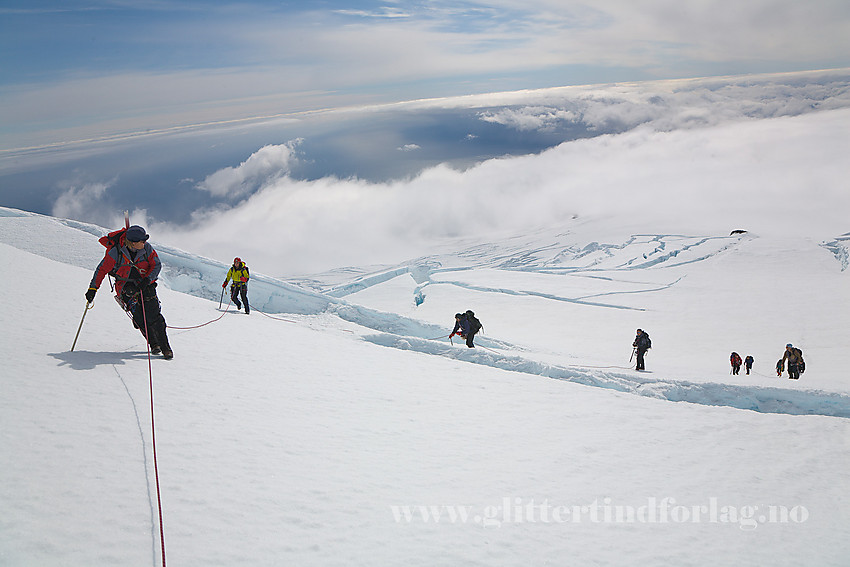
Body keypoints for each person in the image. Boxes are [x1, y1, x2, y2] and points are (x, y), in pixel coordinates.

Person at [85, 225, 173, 359]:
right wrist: (93, 288)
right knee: (139, 317)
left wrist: (148, 280)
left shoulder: (147, 248)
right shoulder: (115, 252)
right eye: (142, 241)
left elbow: (156, 265)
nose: (145, 243)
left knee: (154, 315)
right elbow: (101, 270)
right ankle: (154, 344)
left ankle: (165, 347)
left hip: (145, 284)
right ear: (133, 242)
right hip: (125, 287)